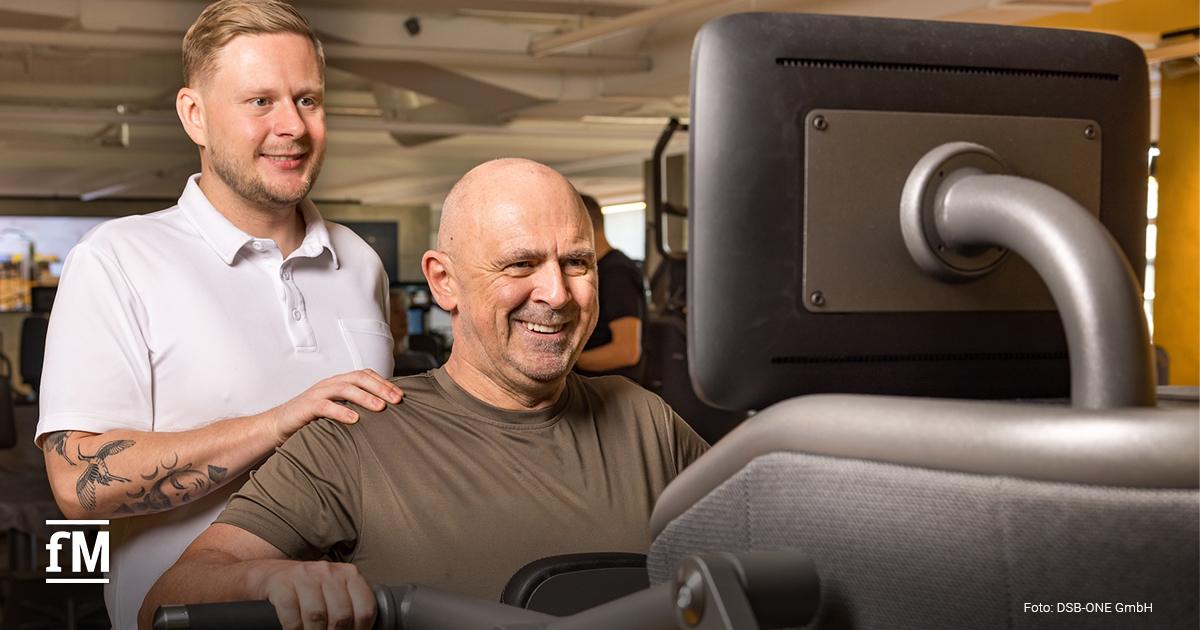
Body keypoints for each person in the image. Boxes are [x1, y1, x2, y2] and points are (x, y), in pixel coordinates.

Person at [140, 158, 709, 629]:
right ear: (444, 281)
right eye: (520, 264)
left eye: (577, 263)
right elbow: (167, 599)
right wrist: (273, 579)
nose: (557, 293)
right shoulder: (358, 434)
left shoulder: (645, 421)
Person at [34, 2, 404, 627]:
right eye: (260, 101)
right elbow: (78, 485)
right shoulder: (117, 258)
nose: (292, 125)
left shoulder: (360, 261)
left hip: (353, 613)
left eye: (308, 100)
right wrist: (280, 422)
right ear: (195, 115)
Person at [574, 194, 646, 382]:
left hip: (612, 392)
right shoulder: (597, 269)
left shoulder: (617, 273)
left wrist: (571, 362)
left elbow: (626, 351)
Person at [388, 285, 439, 375]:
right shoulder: (378, 364)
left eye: (405, 311)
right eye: (396, 311)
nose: (404, 317)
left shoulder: (425, 361)